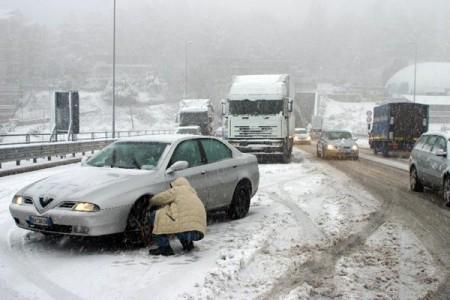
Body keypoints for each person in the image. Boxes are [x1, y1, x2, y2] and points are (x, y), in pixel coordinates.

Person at [148, 177, 207, 256]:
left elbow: (158, 199)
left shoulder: (177, 190)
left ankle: (165, 248)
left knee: (156, 216)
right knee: (181, 221)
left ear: (176, 185)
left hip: (187, 231)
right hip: (198, 232)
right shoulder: (192, 193)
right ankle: (188, 244)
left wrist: (149, 200)